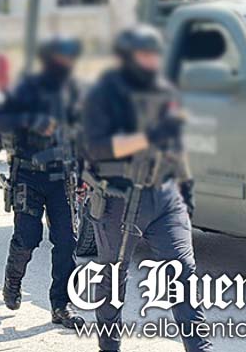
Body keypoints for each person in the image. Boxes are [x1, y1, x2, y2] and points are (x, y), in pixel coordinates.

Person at [80, 25, 210, 352]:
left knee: (183, 273)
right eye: (145, 54)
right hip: (119, 201)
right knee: (113, 280)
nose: (152, 61)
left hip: (164, 197)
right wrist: (145, 139)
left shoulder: (163, 90)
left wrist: (187, 194)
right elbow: (96, 147)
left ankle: (200, 347)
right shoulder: (104, 94)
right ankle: (109, 346)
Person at [0, 36, 85, 329]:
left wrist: (84, 174)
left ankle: (61, 305)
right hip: (28, 176)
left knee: (67, 242)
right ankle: (12, 280)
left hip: (61, 178)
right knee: (28, 238)